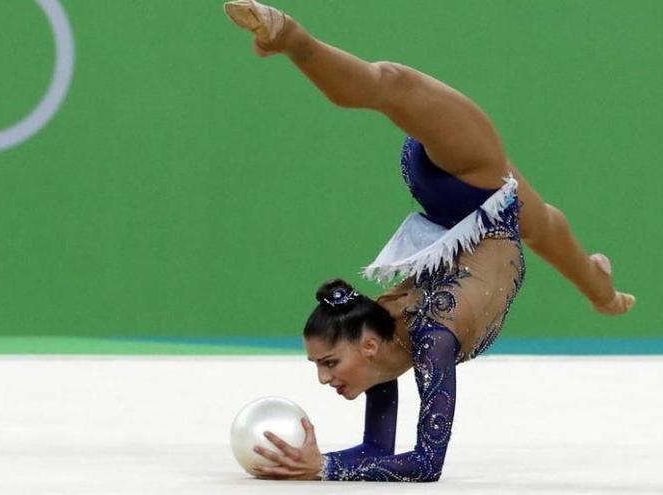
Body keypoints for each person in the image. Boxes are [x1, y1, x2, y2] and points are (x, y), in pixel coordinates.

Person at [222, 0, 636, 482]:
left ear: (368, 346)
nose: (323, 378)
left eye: (329, 362)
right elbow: (379, 451)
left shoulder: (430, 340)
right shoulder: (383, 340)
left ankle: (289, 35)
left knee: (389, 85)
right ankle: (601, 291)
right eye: (320, 365)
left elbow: (425, 466)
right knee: (541, 222)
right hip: (472, 202)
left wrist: (326, 468)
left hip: (462, 180)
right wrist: (317, 464)